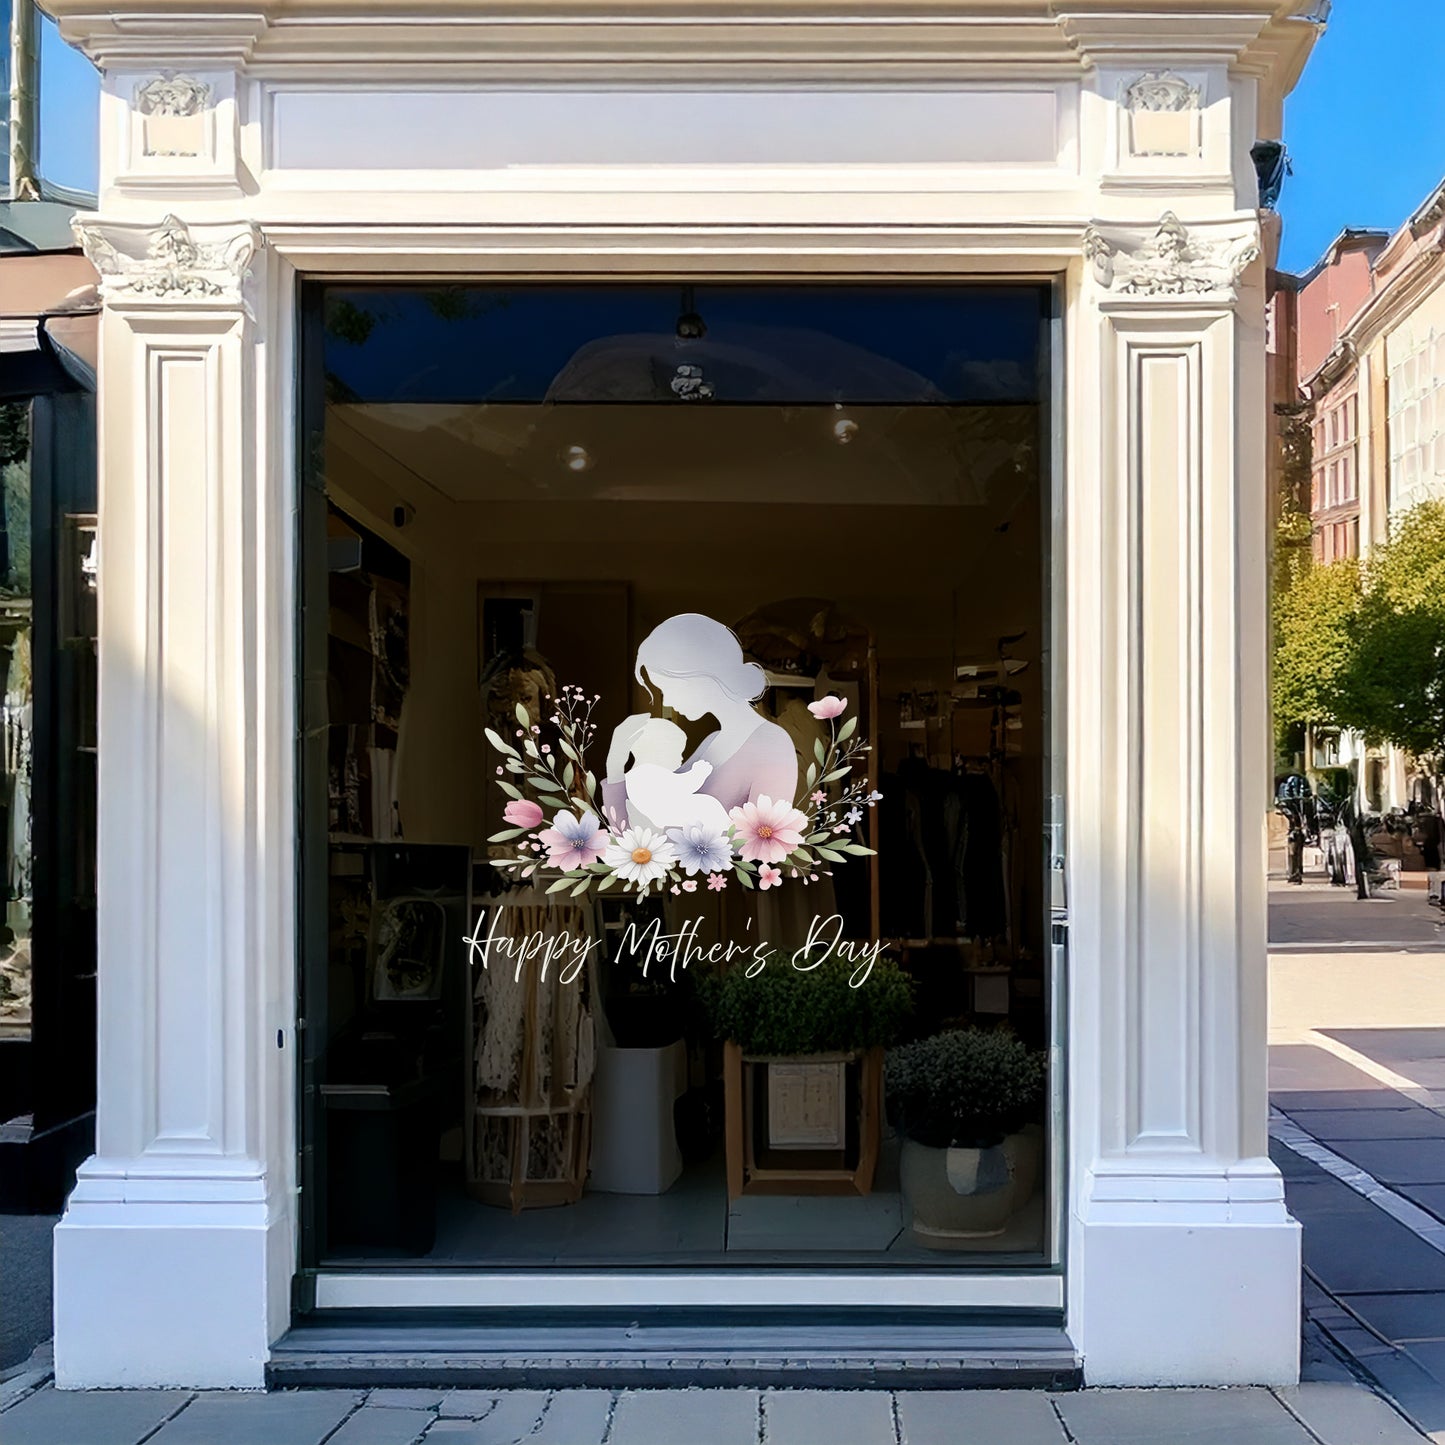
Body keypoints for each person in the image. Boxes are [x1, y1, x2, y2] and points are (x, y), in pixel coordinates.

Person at [603, 613, 798, 831]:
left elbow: (764, 847)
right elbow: (636, 828)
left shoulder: (771, 746)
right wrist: (615, 766)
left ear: (700, 676)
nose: (667, 701)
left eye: (667, 688)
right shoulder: (712, 742)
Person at [620, 717, 732, 834]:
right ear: (653, 750)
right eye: (676, 752)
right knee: (707, 805)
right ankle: (728, 833)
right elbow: (682, 787)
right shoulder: (646, 772)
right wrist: (698, 773)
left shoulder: (635, 775)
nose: (681, 758)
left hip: (664, 816)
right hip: (667, 816)